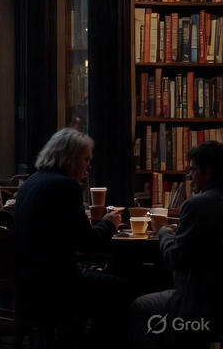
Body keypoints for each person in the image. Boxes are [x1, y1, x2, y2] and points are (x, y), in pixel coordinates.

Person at [14, 128, 126, 342]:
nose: (89, 165)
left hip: (27, 283)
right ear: (70, 159)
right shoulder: (64, 186)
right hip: (55, 287)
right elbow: (88, 243)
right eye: (85, 159)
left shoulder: (32, 182)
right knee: (121, 289)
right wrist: (110, 223)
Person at [129, 140, 223, 348]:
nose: (189, 176)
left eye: (193, 169)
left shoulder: (198, 204)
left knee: (140, 306)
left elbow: (175, 258)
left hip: (200, 300)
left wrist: (162, 230)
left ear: (208, 171)